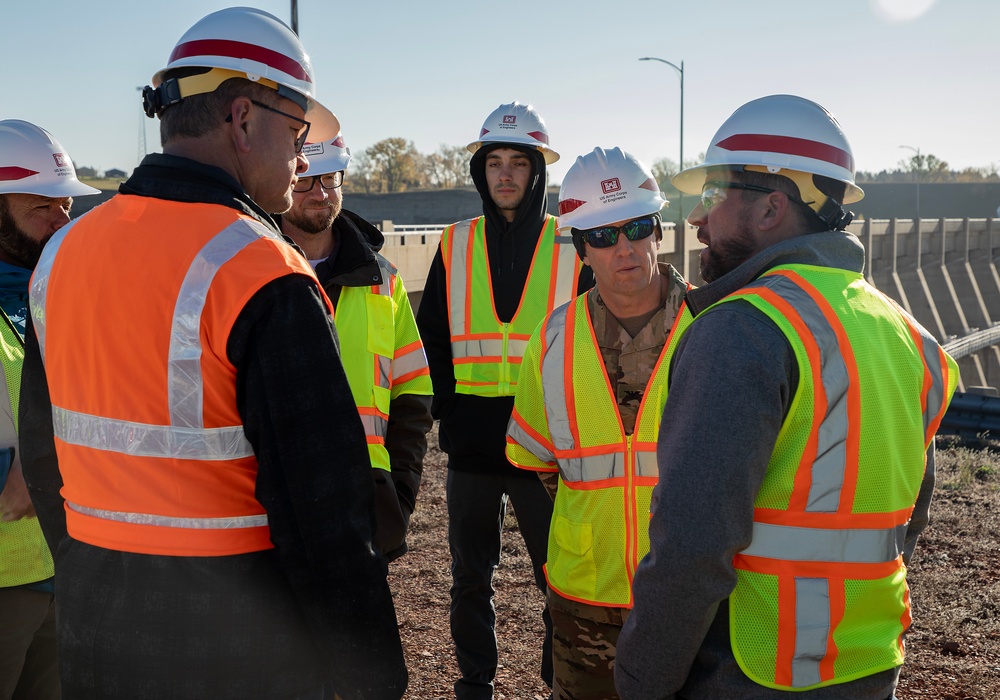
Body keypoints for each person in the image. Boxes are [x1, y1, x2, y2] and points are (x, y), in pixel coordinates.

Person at [18, 8, 406, 699]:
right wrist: (370, 674)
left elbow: (44, 455)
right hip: (238, 649)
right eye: (296, 134)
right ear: (242, 117)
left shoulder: (65, 254)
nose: (300, 159)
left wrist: (85, 582)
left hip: (96, 631)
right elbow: (324, 510)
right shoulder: (262, 271)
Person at [615, 94, 960, 699]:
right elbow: (905, 520)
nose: (696, 219)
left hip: (752, 669)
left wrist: (641, 680)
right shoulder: (911, 337)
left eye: (714, 196)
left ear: (773, 208)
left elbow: (693, 547)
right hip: (869, 664)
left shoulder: (740, 329)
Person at [416, 101, 594, 699]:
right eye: (495, 162)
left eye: (519, 162)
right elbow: (431, 335)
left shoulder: (572, 248)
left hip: (543, 450)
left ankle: (553, 684)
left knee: (557, 579)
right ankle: (474, 687)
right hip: (470, 450)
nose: (506, 174)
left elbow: (588, 340)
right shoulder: (455, 243)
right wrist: (448, 410)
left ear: (538, 170)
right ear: (481, 171)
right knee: (469, 580)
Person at [505, 147, 692, 700]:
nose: (624, 248)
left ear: (659, 231)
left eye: (636, 227)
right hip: (585, 601)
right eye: (604, 236)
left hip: (692, 595)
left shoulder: (712, 327)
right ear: (582, 249)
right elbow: (535, 458)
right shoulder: (553, 340)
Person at [280, 133, 433, 561]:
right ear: (282, 177)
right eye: (305, 180)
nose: (321, 193)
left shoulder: (383, 280)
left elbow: (413, 397)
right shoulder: (252, 269)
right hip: (278, 502)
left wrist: (397, 494)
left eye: (331, 179)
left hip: (366, 502)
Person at [0, 119, 99, 700]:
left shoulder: (59, 296)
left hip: (64, 567)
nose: (62, 222)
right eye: (42, 206)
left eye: (66, 204)